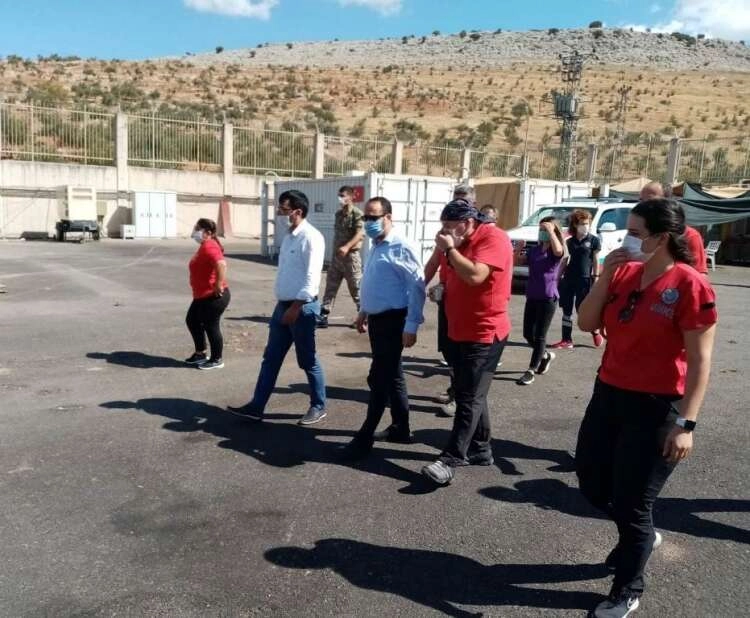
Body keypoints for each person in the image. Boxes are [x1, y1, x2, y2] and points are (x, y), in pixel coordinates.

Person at [575, 198, 717, 618]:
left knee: (633, 502)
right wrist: (605, 276)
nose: (627, 240)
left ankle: (627, 589)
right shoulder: (624, 272)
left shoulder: (690, 284)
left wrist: (686, 423)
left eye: (635, 233)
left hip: (657, 406)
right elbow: (586, 323)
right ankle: (641, 535)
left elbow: (701, 361)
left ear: (662, 238)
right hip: (609, 393)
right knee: (592, 483)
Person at [421, 199, 513, 485]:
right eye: (443, 226)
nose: (445, 231)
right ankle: (481, 450)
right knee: (468, 392)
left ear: (469, 222)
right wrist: (418, 291)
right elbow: (432, 266)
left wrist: (450, 249)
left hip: (485, 332)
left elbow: (475, 275)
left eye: (450, 226)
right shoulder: (451, 240)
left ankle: (451, 459)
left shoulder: (494, 238)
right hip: (457, 329)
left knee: (469, 397)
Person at [229, 190, 327, 426]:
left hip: (301, 308)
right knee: (271, 358)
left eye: (283, 210)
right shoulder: (289, 237)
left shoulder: (311, 238)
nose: (279, 215)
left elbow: (312, 279)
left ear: (297, 211)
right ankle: (257, 406)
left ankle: (318, 405)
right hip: (282, 307)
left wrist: (296, 307)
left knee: (307, 360)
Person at [339, 197, 426, 460]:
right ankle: (401, 428)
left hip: (394, 321)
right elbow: (375, 281)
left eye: (373, 217)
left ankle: (364, 438)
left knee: (379, 379)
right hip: (377, 320)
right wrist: (364, 311)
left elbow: (417, 287)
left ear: (388, 217)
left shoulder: (402, 246)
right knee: (392, 375)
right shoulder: (376, 244)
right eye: (366, 217)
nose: (368, 222)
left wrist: (411, 325)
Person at [517, 217, 565, 385]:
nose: (542, 232)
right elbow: (517, 261)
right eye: (541, 230)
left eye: (545, 230)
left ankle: (531, 369)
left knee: (540, 336)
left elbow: (559, 251)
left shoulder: (555, 250)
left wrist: (551, 231)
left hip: (548, 297)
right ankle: (545, 355)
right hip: (532, 296)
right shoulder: (535, 250)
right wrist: (518, 249)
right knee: (527, 333)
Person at [550, 209, 604, 350]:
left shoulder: (594, 240)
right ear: (575, 225)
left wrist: (596, 277)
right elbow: (564, 261)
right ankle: (566, 339)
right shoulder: (569, 242)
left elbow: (596, 260)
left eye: (587, 223)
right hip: (569, 279)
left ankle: (595, 331)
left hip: (584, 280)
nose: (585, 226)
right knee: (566, 309)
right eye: (582, 224)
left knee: (582, 309)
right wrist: (557, 278)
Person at [185, 218, 230, 370]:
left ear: (208, 233)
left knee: (211, 325)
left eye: (198, 229)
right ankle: (200, 353)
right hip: (201, 295)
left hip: (213, 296)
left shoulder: (210, 245)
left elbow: (221, 264)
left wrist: (218, 284)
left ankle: (217, 359)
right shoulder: (204, 246)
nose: (195, 232)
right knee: (192, 320)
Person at [318, 186, 364, 328]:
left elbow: (360, 234)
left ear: (351, 197)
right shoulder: (338, 214)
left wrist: (347, 247)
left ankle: (363, 317)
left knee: (356, 288)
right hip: (337, 258)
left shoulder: (357, 214)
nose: (340, 198)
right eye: (339, 195)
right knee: (330, 286)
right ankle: (323, 316)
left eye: (343, 195)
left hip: (351, 258)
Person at [640, 182, 708, 275]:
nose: (642, 206)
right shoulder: (638, 233)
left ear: (667, 202)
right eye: (641, 201)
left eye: (650, 201)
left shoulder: (689, 235)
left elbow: (700, 275)